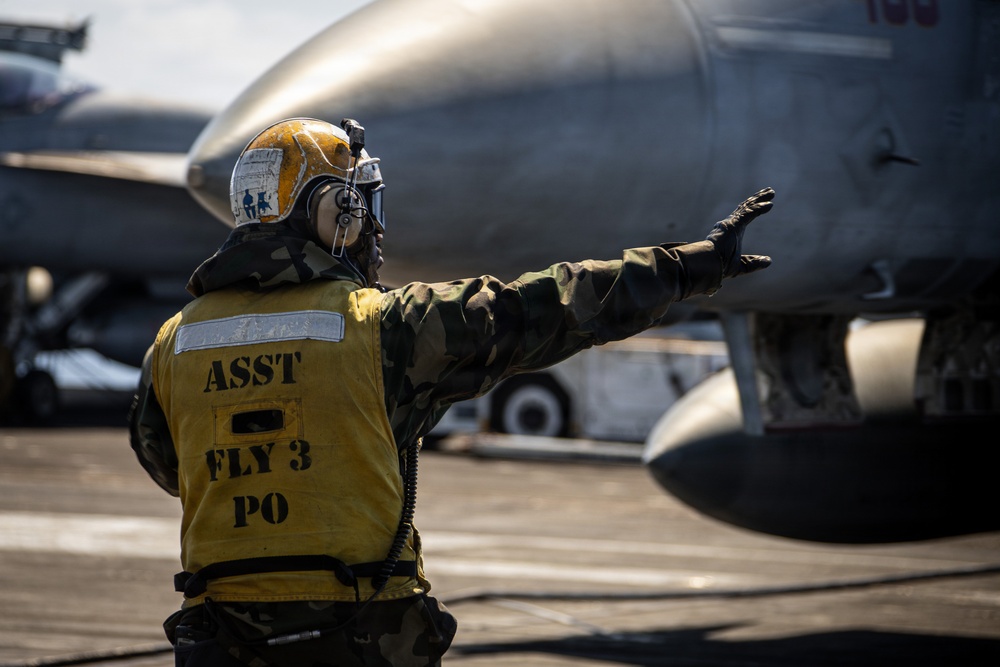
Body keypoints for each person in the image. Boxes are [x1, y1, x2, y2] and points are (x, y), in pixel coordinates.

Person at [129, 116, 774, 667]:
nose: (375, 227)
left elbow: (167, 465)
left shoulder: (174, 342)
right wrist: (688, 268)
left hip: (222, 637)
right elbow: (548, 306)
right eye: (365, 206)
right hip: (360, 633)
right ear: (337, 215)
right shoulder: (384, 327)